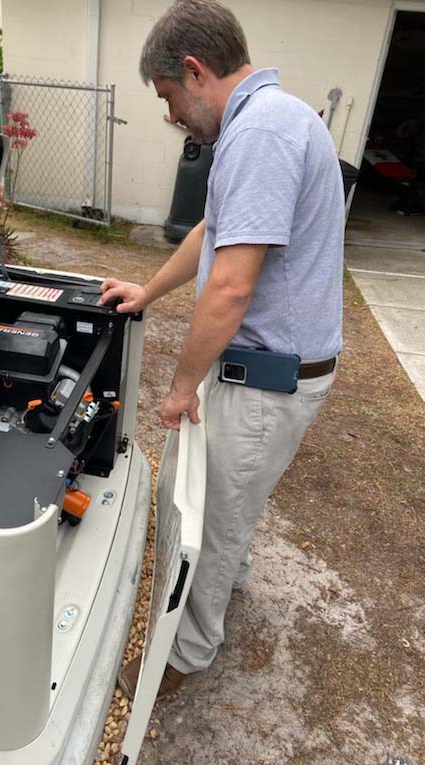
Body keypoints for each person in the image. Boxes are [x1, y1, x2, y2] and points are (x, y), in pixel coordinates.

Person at [101, 0, 344, 699]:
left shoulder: (261, 133)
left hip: (263, 378)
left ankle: (182, 657)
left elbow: (232, 286)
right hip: (268, 372)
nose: (172, 116)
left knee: (205, 519)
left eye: (169, 97)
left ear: (195, 70)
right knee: (229, 501)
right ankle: (222, 590)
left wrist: (181, 389)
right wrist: (147, 291)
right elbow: (213, 232)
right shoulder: (271, 121)